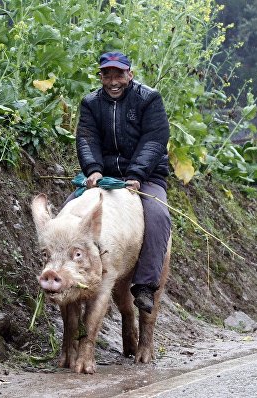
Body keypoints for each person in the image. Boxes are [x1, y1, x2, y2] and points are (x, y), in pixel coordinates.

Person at [75, 51, 172, 313]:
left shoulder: (149, 99)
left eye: (119, 74)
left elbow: (154, 139)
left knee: (158, 215)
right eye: (107, 75)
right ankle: (74, 275)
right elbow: (86, 138)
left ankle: (144, 285)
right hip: (104, 177)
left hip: (146, 176)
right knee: (70, 214)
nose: (113, 80)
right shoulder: (90, 103)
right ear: (101, 77)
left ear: (130, 74)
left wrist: (137, 175)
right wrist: (93, 170)